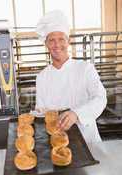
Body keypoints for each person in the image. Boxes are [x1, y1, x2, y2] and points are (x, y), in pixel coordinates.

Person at [35, 10, 107, 143]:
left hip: (87, 139)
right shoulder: (42, 77)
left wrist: (76, 114)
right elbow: (41, 112)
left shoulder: (85, 68)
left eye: (61, 39)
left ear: (69, 41)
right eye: (51, 40)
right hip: (56, 140)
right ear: (46, 44)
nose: (57, 45)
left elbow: (100, 98)